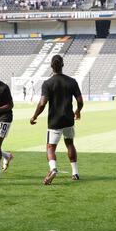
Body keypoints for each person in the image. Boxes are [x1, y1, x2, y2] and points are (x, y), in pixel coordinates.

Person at [30, 55, 84, 185]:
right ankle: (75, 173)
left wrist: (34, 116)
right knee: (70, 144)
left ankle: (53, 169)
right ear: (63, 65)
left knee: (50, 147)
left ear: (51, 66)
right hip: (68, 119)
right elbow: (80, 101)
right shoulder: (72, 81)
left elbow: (42, 103)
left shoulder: (47, 83)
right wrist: (77, 111)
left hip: (54, 121)